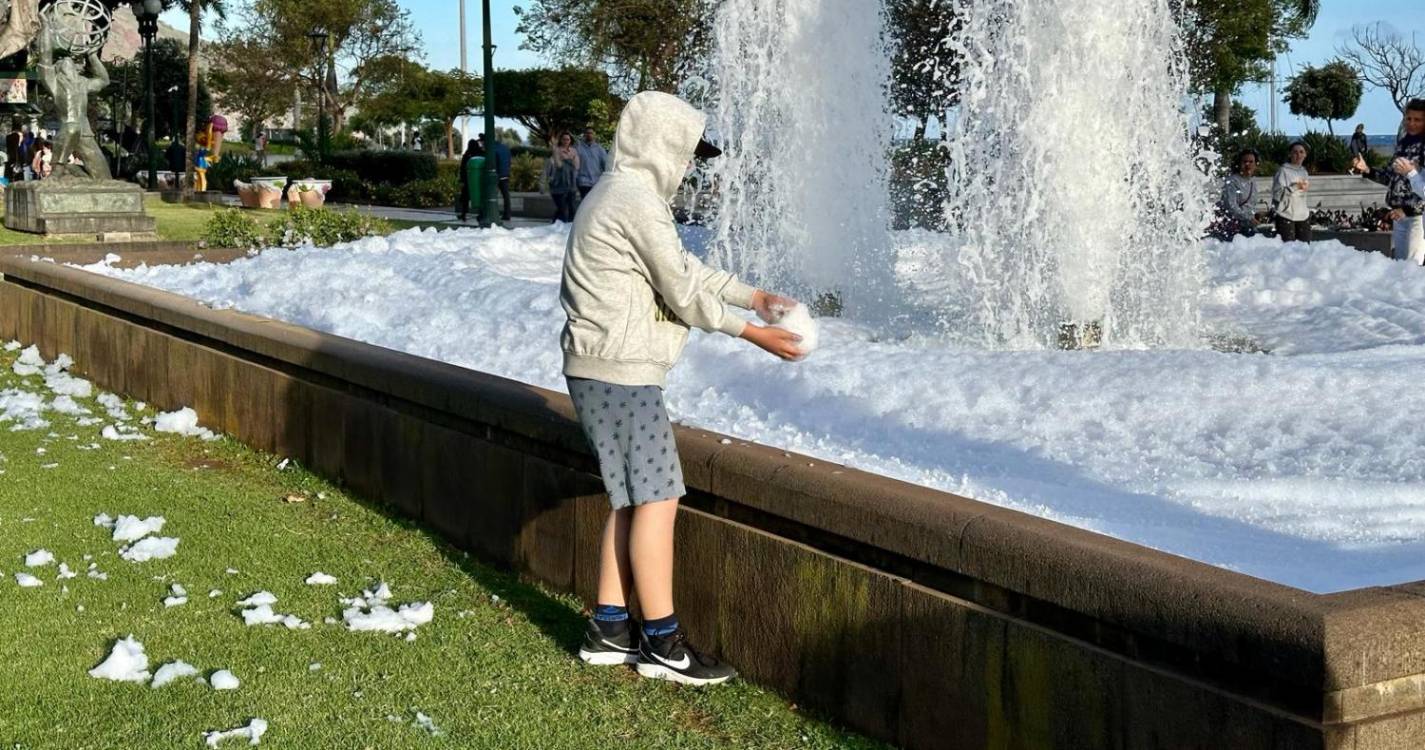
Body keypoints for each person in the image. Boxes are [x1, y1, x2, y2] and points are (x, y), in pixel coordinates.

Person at [561, 90, 804, 686]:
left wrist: (755, 296)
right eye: (688, 152)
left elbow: (685, 271)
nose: (690, 164)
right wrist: (754, 333)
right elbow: (682, 290)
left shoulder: (621, 195)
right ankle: (664, 643)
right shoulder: (634, 201)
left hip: (602, 366)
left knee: (631, 499)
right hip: (621, 372)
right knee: (660, 499)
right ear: (662, 146)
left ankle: (610, 628)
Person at [1354, 100, 1425, 265]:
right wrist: (1367, 170)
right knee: (1400, 267)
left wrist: (1407, 209)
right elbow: (1390, 177)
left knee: (1412, 268)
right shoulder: (1403, 145)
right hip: (1398, 216)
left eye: (1417, 120)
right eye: (1408, 119)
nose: (1411, 123)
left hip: (1416, 216)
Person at [1214, 149, 1263, 240]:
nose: (1248, 165)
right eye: (1245, 162)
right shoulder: (1232, 182)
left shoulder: (1252, 182)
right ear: (1239, 164)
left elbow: (1250, 205)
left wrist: (1256, 214)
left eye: (1251, 162)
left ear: (1256, 164)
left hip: (1247, 226)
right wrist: (1248, 218)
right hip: (1233, 227)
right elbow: (1231, 206)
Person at [1271, 141, 1312, 242]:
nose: (1298, 155)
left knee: (1304, 249)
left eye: (1301, 152)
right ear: (1290, 154)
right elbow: (1277, 194)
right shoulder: (1283, 171)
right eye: (1295, 152)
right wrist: (1294, 187)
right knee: (1288, 250)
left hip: (1302, 216)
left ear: (1305, 155)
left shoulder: (1304, 172)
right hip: (1286, 215)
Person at [544, 131, 579, 223]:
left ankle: (568, 225)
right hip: (559, 183)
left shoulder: (574, 151)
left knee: (571, 207)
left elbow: (576, 165)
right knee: (562, 208)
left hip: (571, 183)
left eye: (568, 139)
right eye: (564, 139)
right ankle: (559, 225)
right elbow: (558, 165)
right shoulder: (557, 151)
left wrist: (567, 160)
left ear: (570, 140)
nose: (566, 141)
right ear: (561, 140)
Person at [575, 126, 609, 201]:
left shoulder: (600, 149)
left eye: (591, 133)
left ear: (594, 135)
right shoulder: (578, 148)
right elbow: (574, 165)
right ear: (584, 135)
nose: (589, 135)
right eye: (587, 133)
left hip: (596, 181)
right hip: (583, 181)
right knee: (585, 202)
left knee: (594, 203)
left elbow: (606, 164)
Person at [457, 138, 483, 222]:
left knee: (465, 198)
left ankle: (464, 214)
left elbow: (462, 168)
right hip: (479, 180)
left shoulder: (467, 154)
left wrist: (461, 179)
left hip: (467, 180)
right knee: (479, 196)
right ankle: (480, 214)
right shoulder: (481, 153)